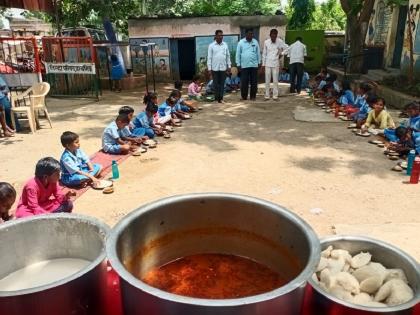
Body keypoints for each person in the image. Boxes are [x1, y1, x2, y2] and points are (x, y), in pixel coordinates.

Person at [236, 29, 261, 101]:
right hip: (244, 65)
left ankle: (253, 96)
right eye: (249, 34)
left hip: (254, 65)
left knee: (254, 82)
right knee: (244, 82)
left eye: (252, 34)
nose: (251, 35)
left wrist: (259, 62)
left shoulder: (255, 42)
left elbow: (258, 53)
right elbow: (238, 54)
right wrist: (238, 64)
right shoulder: (241, 42)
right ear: (246, 34)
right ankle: (244, 96)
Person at [262, 29, 288, 100]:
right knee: (267, 80)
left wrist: (281, 54)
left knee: (275, 81)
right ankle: (267, 96)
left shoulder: (279, 41)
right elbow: (264, 54)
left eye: (275, 36)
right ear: (270, 35)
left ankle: (275, 96)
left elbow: (287, 48)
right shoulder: (266, 42)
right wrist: (263, 65)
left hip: (276, 63)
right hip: (267, 63)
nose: (274, 38)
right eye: (272, 36)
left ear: (276, 36)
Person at [207, 30, 231, 103]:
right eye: (219, 35)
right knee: (216, 84)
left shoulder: (225, 45)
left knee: (222, 84)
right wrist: (209, 69)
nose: (221, 37)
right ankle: (216, 99)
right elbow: (209, 58)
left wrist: (229, 65)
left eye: (222, 35)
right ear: (216, 36)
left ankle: (221, 99)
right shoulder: (211, 46)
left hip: (223, 68)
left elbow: (228, 56)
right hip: (214, 68)